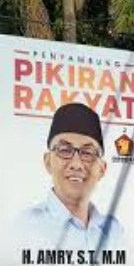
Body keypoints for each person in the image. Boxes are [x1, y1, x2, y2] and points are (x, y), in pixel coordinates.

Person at [13, 102, 124, 254]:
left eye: (87, 153)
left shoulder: (114, 230)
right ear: (48, 162)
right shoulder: (24, 226)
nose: (76, 164)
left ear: (102, 170)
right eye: (65, 150)